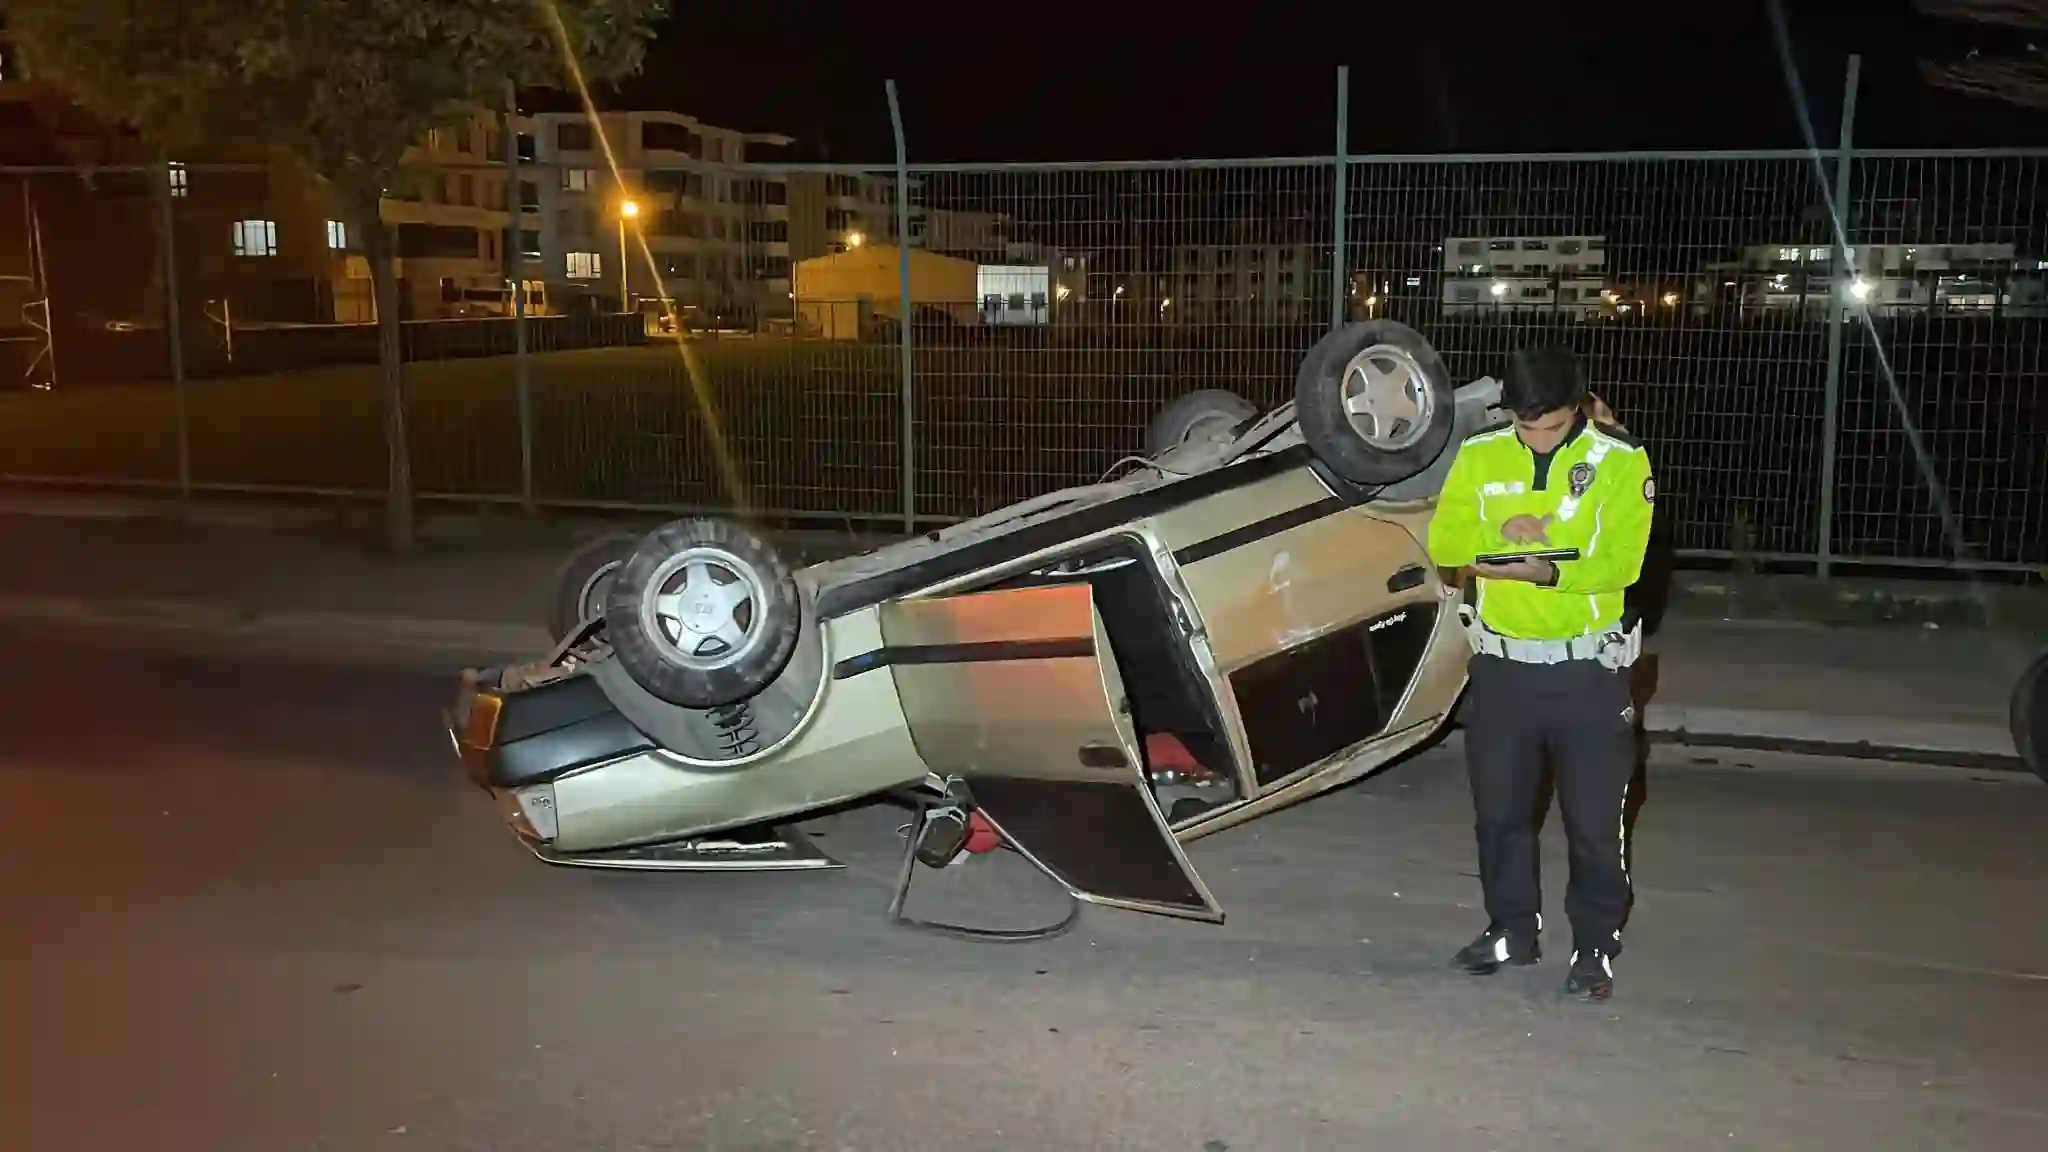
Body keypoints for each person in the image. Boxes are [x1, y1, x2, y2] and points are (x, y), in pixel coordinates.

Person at [1426, 345, 1656, 1002]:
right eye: (1525, 425)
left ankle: (1595, 945)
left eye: (1550, 426)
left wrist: (1550, 570)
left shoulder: (1620, 459)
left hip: (1587, 672)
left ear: (1579, 406)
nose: (1535, 437)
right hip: (1501, 669)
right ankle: (1510, 929)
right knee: (1498, 814)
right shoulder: (1481, 452)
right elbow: (1445, 541)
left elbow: (1622, 563)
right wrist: (1501, 534)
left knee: (1593, 824)